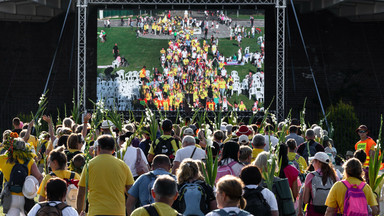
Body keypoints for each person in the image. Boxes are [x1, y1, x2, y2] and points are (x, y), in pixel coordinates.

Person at [76, 135, 134, 215]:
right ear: (114, 150)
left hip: (96, 212)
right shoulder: (123, 165)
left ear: (98, 148)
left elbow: (81, 193)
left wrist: (79, 212)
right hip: (117, 212)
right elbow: (131, 191)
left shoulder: (90, 165)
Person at [0, 135, 43, 215]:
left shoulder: (3, 159)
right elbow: (40, 177)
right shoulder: (29, 160)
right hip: (25, 196)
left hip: (9, 196)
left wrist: (2, 145)